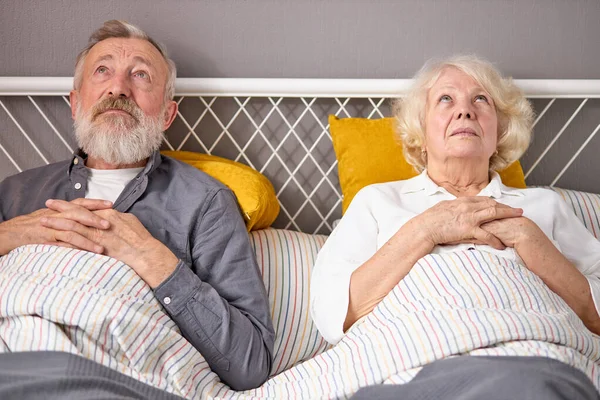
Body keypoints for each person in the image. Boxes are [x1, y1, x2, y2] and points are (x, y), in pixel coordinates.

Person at [0, 20, 274, 392]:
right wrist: (7, 236)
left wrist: (149, 256)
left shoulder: (206, 203)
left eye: (141, 75)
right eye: (103, 71)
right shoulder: (15, 194)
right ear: (76, 102)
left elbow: (250, 363)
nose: (118, 87)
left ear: (166, 114)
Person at [310, 55, 600, 399]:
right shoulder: (378, 202)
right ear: (421, 131)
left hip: (530, 362)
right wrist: (424, 231)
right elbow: (331, 312)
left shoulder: (542, 206)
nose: (465, 111)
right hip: (404, 368)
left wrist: (532, 242)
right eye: (446, 99)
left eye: (481, 99)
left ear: (500, 130)